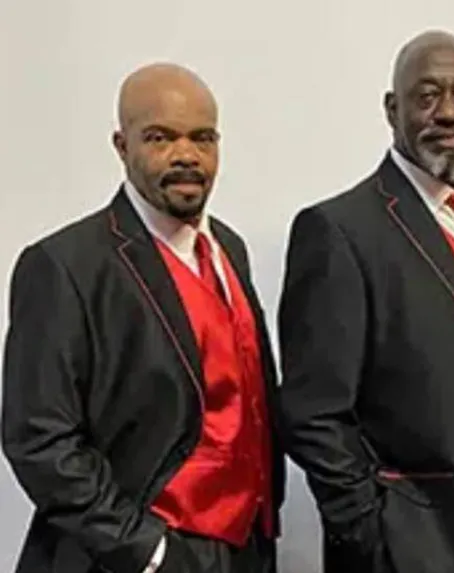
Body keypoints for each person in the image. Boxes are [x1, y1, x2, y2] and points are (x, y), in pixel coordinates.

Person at [277, 30, 454, 573]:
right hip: (413, 552)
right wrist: (375, 535)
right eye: (427, 95)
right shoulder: (339, 231)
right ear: (391, 108)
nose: (449, 112)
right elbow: (313, 412)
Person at [1, 63, 283, 573]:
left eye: (203, 138)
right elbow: (38, 437)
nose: (186, 155)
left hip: (244, 549)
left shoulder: (230, 251)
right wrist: (146, 551)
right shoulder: (64, 265)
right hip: (131, 557)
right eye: (160, 137)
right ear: (121, 144)